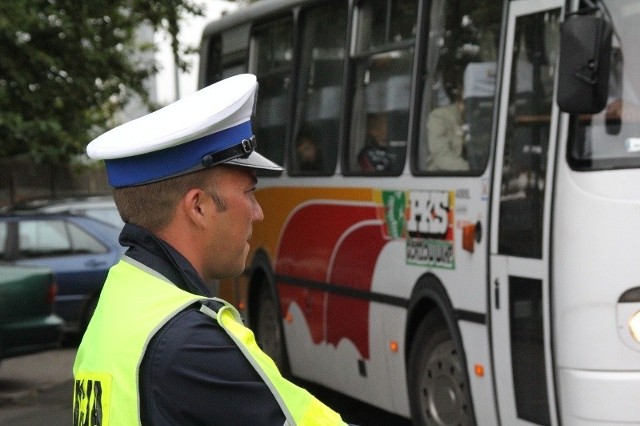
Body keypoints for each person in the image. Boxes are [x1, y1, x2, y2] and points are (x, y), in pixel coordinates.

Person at [72, 74, 353, 425]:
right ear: (199, 207)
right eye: (249, 193)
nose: (258, 212)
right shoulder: (190, 345)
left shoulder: (120, 300)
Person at [426, 70, 470, 171]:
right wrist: (474, 170)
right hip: (444, 180)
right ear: (461, 89)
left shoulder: (485, 118)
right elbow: (442, 156)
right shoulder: (439, 116)